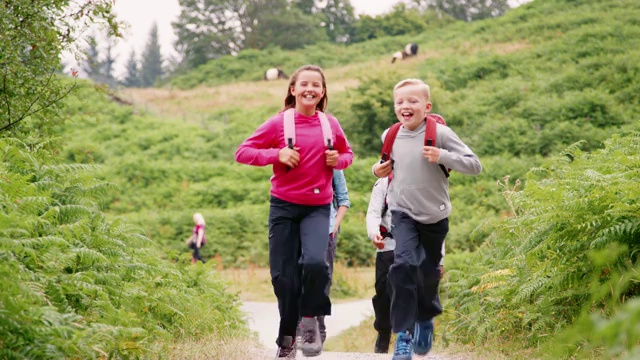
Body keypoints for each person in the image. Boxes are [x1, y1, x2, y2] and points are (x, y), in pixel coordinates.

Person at [235, 64, 354, 359]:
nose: (310, 89)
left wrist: (337, 160)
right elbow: (243, 152)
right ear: (293, 89)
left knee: (315, 264)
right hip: (284, 208)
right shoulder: (278, 124)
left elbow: (348, 156)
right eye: (304, 84)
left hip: (317, 208)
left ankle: (310, 319)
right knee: (282, 277)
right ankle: (287, 337)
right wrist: (277, 154)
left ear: (323, 91)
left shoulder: (331, 125)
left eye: (317, 84)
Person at [372, 78, 481, 360]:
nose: (405, 106)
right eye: (400, 102)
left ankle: (424, 321)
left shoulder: (441, 133)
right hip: (402, 212)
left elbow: (474, 165)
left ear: (427, 106)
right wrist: (377, 169)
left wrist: (442, 155)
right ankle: (404, 337)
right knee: (403, 266)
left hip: (434, 215)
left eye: (413, 101)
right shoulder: (390, 135)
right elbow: (385, 165)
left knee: (427, 275)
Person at [365, 175, 446, 354]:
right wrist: (374, 233)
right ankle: (384, 331)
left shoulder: (427, 182)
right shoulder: (384, 184)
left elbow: (435, 223)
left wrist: (439, 259)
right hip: (387, 245)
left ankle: (406, 337)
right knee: (384, 293)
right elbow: (373, 212)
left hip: (417, 247)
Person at [297, 169, 350, 347]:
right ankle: (299, 325)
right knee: (298, 277)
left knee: (321, 278)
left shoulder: (333, 167)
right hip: (298, 230)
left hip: (327, 231)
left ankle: (319, 327)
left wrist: (335, 226)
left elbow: (343, 200)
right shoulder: (295, 162)